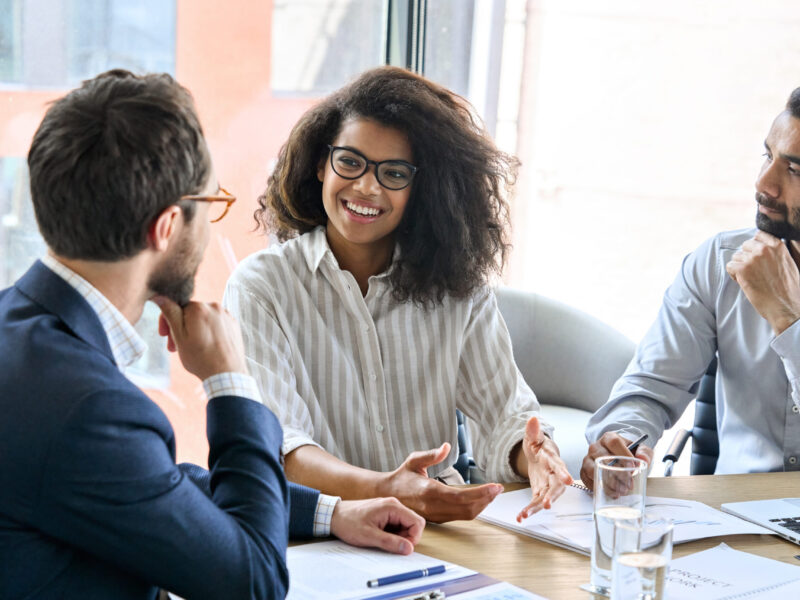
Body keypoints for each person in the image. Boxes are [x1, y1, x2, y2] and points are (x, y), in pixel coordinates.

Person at [0, 70, 424, 600]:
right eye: (211, 204)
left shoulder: (18, 332)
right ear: (166, 225)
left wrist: (330, 512)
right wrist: (230, 381)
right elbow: (254, 582)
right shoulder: (85, 407)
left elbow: (148, 485)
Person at [224, 66, 573, 524]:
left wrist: (536, 455)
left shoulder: (459, 289)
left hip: (437, 527)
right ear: (319, 164)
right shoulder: (261, 287)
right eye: (349, 162)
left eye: (393, 173)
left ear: (420, 189)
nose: (366, 186)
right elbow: (281, 446)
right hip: (319, 528)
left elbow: (506, 418)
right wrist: (389, 490)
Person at [581, 87, 800, 490]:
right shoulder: (719, 262)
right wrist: (622, 441)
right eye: (768, 156)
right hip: (737, 525)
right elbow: (648, 390)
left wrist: (789, 320)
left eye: (795, 170)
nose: (764, 183)